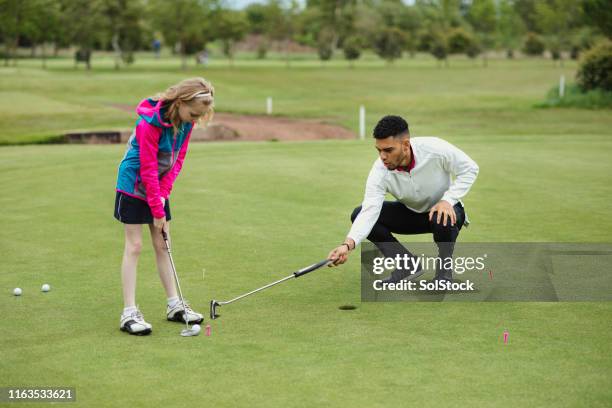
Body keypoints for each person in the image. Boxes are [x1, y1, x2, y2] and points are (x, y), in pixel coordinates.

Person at [114, 77, 214, 335]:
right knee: (135, 246)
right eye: (193, 113)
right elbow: (147, 168)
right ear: (180, 102)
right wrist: (157, 210)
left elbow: (178, 161)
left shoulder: (186, 123)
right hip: (134, 184)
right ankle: (129, 313)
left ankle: (174, 305)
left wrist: (163, 195)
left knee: (163, 243)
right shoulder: (149, 124)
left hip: (157, 186)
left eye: (199, 116)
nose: (194, 120)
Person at [327, 115, 479, 283]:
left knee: (442, 218)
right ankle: (407, 265)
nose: (383, 156)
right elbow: (370, 210)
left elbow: (470, 169)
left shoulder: (435, 148)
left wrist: (448, 200)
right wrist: (347, 245)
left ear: (406, 144)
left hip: (447, 211)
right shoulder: (380, 171)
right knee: (358, 213)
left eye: (388, 150)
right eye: (379, 150)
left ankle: (444, 277)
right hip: (412, 214)